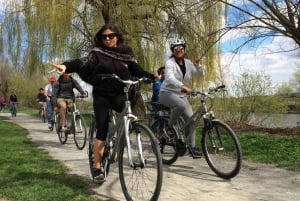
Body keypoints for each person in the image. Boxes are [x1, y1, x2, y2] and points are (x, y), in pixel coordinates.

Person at [49, 23, 157, 183]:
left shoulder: (126, 53)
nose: (107, 39)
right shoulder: (97, 54)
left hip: (119, 93)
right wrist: (66, 66)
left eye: (111, 36)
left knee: (127, 113)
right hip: (102, 94)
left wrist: (152, 77)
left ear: (117, 37)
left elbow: (136, 70)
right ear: (100, 39)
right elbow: (82, 62)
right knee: (102, 128)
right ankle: (97, 166)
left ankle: (119, 136)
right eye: (104, 36)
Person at [159, 38, 204, 158]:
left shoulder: (188, 62)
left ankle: (192, 148)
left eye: (181, 48)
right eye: (176, 49)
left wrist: (198, 64)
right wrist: (182, 85)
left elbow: (199, 75)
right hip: (166, 93)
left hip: (181, 95)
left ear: (184, 49)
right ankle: (169, 127)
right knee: (181, 105)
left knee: (191, 121)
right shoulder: (170, 63)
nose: (179, 50)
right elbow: (169, 78)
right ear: (173, 51)